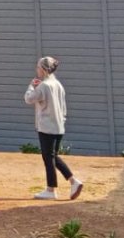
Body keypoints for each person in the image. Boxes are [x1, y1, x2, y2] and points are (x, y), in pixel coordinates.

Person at [23, 56, 83, 200]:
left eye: (38, 67)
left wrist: (31, 86)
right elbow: (63, 107)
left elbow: (29, 99)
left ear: (44, 69)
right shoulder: (58, 85)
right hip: (59, 126)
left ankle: (51, 189)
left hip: (47, 126)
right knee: (53, 156)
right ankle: (73, 182)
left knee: (48, 158)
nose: (36, 69)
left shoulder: (44, 86)